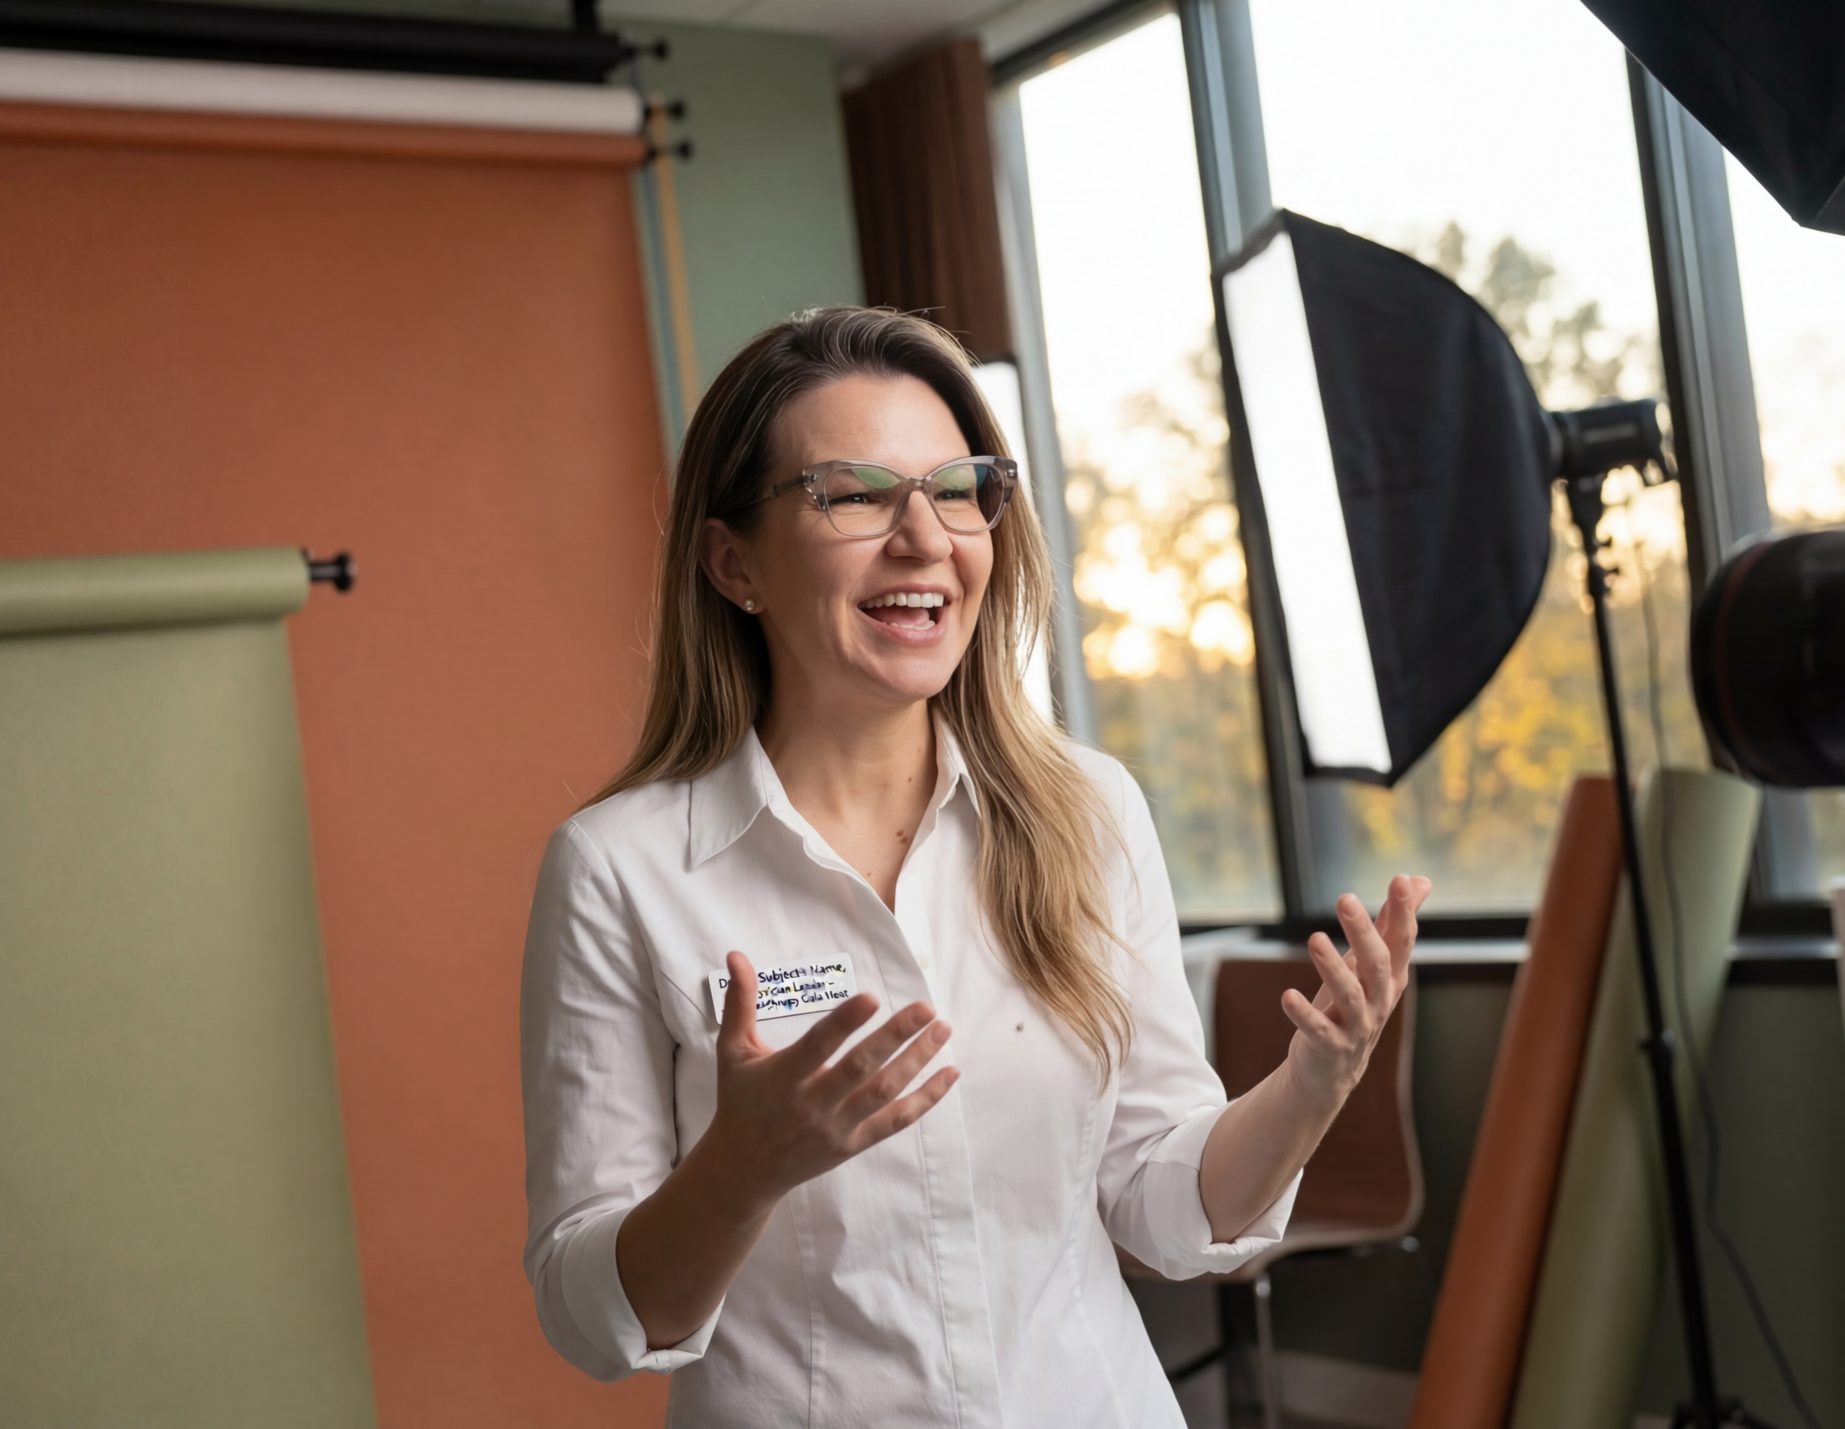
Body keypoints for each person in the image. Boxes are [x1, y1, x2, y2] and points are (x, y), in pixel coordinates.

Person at [521, 306, 1428, 1426]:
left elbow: (1163, 1202)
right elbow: (592, 1313)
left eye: (957, 489)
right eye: (852, 493)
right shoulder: (621, 868)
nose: (924, 537)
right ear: (731, 561)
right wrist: (740, 1167)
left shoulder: (1086, 812)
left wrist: (1310, 1088)